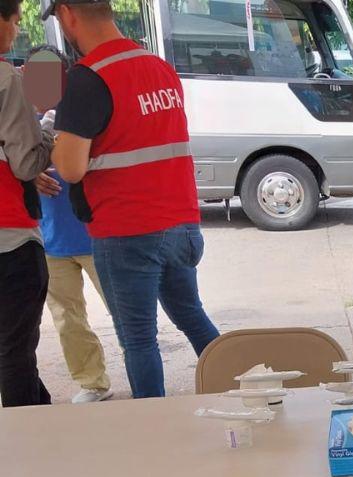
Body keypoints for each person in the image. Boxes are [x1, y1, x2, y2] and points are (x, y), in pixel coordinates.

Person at [44, 0, 218, 399]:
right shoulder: (159, 67)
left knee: (139, 341)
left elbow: (69, 169)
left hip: (126, 231)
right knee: (191, 316)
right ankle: (243, 390)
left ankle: (152, 430)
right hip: (181, 224)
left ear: (68, 14)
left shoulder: (86, 78)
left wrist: (51, 136)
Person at [0, 0, 54, 407]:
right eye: (16, 20)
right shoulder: (6, 79)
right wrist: (49, 130)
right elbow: (26, 163)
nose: (16, 30)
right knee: (15, 353)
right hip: (11, 238)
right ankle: (31, 443)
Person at [35, 163, 114, 403]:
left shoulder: (83, 123)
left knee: (125, 316)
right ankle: (93, 383)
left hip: (101, 234)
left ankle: (144, 380)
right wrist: (28, 173)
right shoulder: (24, 125)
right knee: (67, 320)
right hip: (50, 237)